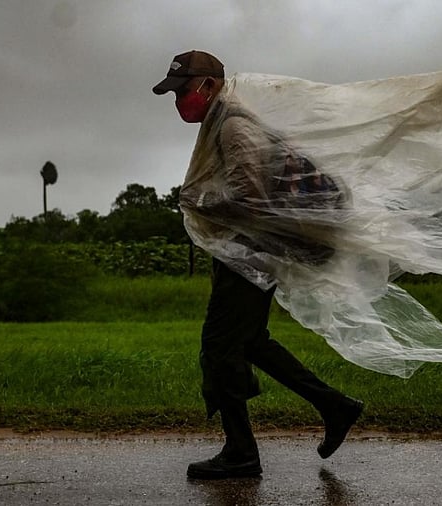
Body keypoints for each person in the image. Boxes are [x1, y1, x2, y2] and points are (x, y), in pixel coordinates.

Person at [152, 50, 364, 480]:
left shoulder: (233, 126)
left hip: (251, 255)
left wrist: (200, 202)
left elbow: (251, 200)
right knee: (249, 342)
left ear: (209, 85)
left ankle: (241, 453)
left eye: (183, 91)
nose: (179, 102)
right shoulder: (226, 122)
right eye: (174, 94)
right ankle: (335, 406)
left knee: (219, 347)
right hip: (251, 252)